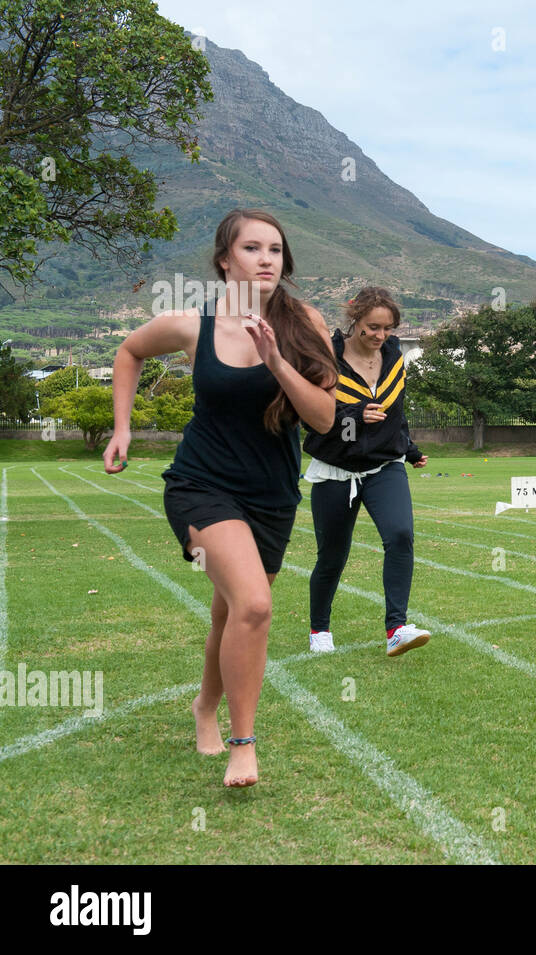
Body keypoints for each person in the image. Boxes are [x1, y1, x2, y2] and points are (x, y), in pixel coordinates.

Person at [103, 209, 337, 787]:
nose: (266, 259)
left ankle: (203, 707)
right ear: (224, 260)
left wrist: (277, 359)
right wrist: (123, 427)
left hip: (272, 496)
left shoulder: (305, 322)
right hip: (200, 486)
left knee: (231, 611)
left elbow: (325, 419)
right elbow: (130, 352)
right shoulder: (191, 324)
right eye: (252, 248)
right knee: (254, 605)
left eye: (275, 250)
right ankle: (243, 743)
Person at [302, 287, 430, 657]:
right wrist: (355, 418)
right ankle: (319, 628)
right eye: (373, 327)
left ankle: (397, 627)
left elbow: (396, 413)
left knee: (401, 534)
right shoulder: (325, 357)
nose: (380, 336)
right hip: (335, 469)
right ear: (353, 318)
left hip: (383, 465)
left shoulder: (393, 356)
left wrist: (409, 449)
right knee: (333, 554)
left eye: (388, 329)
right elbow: (313, 419)